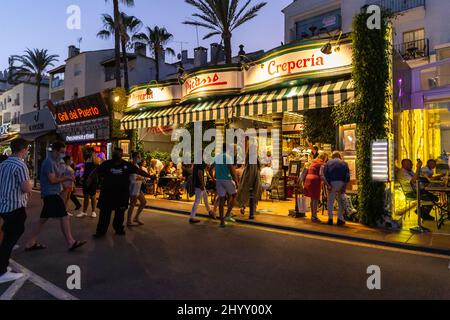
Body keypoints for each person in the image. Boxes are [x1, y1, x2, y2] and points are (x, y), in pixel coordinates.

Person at [26, 141, 86, 251]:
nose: (63, 154)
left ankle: (30, 242)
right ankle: (70, 242)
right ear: (55, 150)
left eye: (64, 152)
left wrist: (70, 175)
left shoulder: (58, 161)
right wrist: (67, 178)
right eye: (61, 152)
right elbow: (53, 180)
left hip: (54, 193)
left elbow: (63, 172)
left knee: (42, 220)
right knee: (64, 216)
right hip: (50, 193)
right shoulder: (48, 162)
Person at [91, 148, 151, 238]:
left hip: (121, 194)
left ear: (121, 155)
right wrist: (89, 179)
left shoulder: (127, 165)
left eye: (118, 153)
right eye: (115, 153)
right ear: (113, 154)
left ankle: (119, 229)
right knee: (105, 214)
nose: (116, 155)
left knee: (120, 214)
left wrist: (150, 176)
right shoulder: (106, 164)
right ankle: (101, 231)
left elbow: (138, 171)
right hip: (107, 194)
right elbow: (95, 171)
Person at [0, 139, 32, 284]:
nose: (27, 152)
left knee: (8, 233)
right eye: (27, 149)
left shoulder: (3, 164)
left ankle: (3, 266)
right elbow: (26, 188)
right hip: (14, 207)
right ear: (23, 150)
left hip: (3, 206)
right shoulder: (20, 165)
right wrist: (30, 185)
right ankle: (1, 271)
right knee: (11, 238)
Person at [211, 144, 239, 228]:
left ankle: (222, 222)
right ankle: (227, 214)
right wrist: (236, 181)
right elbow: (232, 170)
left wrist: (213, 178)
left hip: (219, 180)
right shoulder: (227, 157)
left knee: (222, 199)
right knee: (234, 195)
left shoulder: (216, 157)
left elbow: (210, 168)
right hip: (227, 179)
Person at [323, 151, 350, 226]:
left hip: (332, 183)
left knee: (330, 202)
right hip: (341, 183)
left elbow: (325, 174)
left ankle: (330, 219)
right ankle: (339, 219)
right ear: (339, 156)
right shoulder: (344, 163)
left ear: (333, 156)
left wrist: (328, 184)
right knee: (341, 202)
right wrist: (344, 186)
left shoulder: (328, 163)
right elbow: (347, 176)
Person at [303, 153, 327, 223]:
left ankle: (312, 215)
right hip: (315, 181)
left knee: (312, 199)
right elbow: (322, 174)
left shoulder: (313, 162)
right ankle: (314, 216)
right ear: (324, 158)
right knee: (316, 199)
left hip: (308, 179)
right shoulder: (322, 164)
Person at [237, 152, 261, 220]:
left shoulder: (248, 155)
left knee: (245, 190)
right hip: (255, 174)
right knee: (254, 191)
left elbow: (246, 164)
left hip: (247, 174)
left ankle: (243, 206)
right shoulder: (256, 155)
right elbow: (259, 165)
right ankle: (253, 210)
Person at [127, 152, 147, 227]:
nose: (140, 158)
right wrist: (142, 178)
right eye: (138, 156)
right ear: (134, 157)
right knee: (132, 204)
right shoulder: (132, 166)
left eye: (140, 156)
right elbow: (133, 178)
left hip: (138, 187)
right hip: (133, 188)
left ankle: (136, 217)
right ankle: (129, 221)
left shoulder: (137, 165)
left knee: (143, 202)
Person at [77, 149, 99, 218]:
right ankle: (84, 212)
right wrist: (82, 177)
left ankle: (93, 211)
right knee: (86, 196)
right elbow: (85, 171)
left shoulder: (95, 161)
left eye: (89, 152)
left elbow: (96, 172)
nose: (87, 153)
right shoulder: (86, 160)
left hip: (93, 180)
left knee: (93, 196)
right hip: (86, 180)